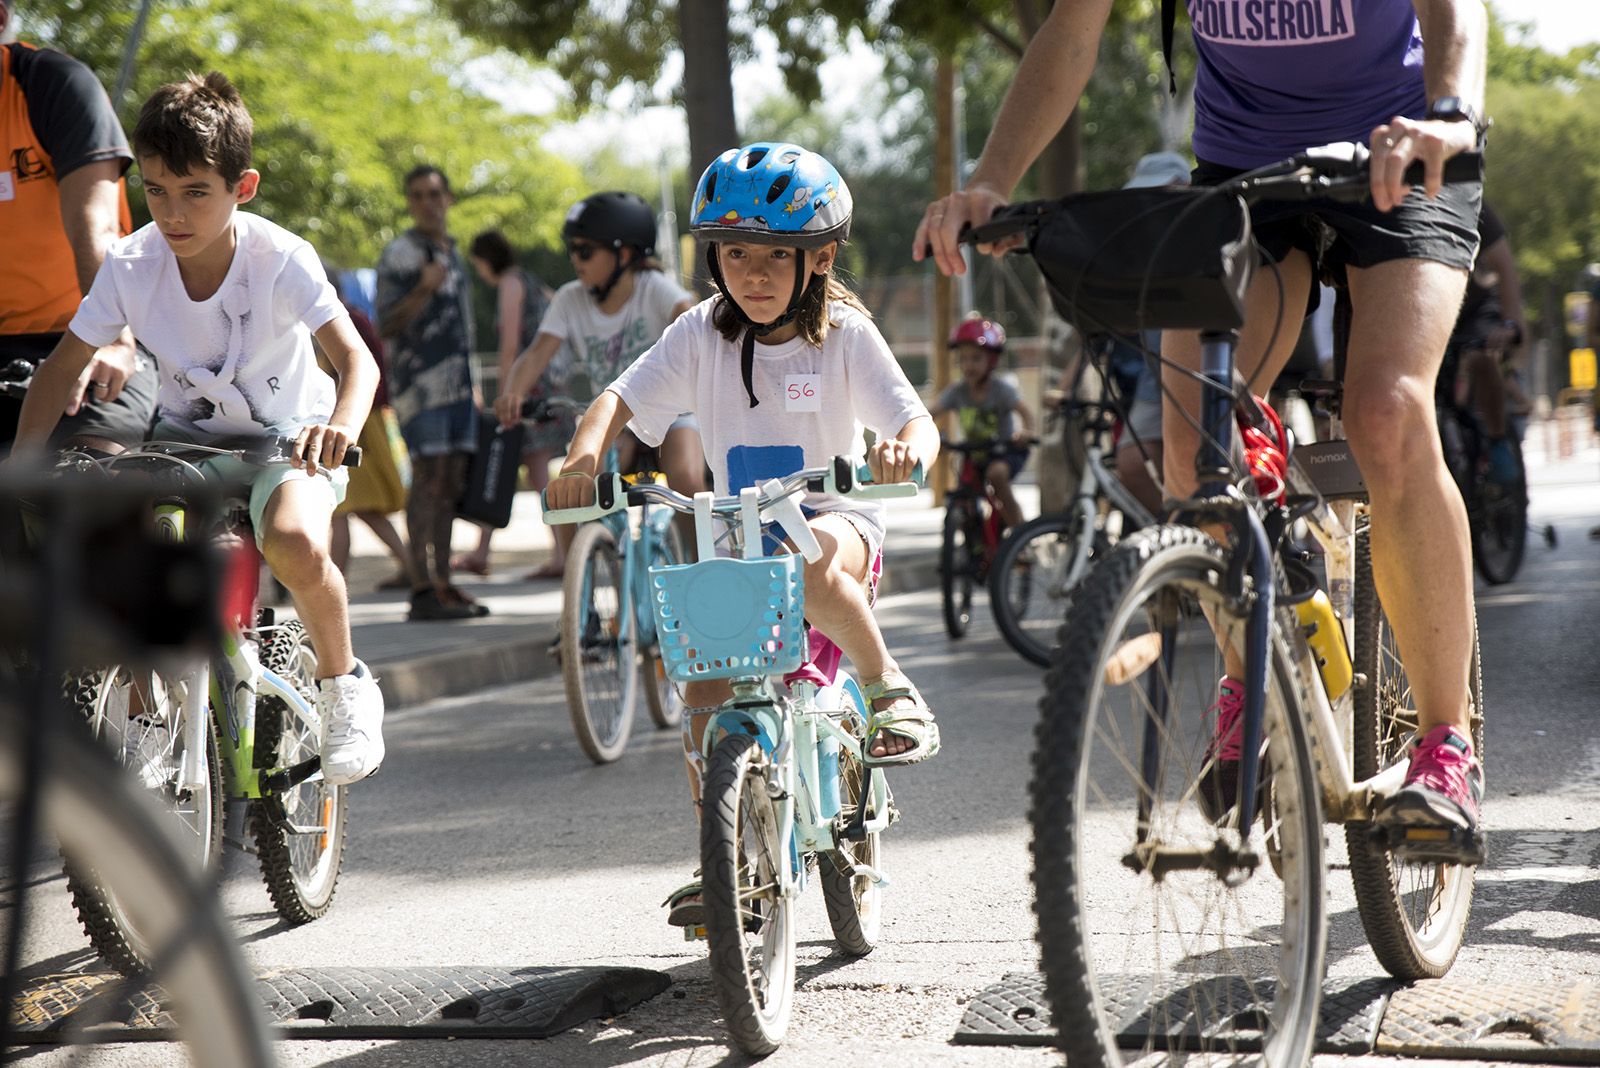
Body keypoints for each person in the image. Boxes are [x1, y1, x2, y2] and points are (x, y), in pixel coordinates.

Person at [917, 0, 1490, 863]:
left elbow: (1454, 12)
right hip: (1245, 169)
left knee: (1387, 412)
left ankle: (1446, 751)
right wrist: (992, 180)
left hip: (1403, 151)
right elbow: (1073, 34)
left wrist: (1448, 113)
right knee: (1196, 440)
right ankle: (1249, 672)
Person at [544, 143, 941, 925]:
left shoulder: (847, 338)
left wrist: (903, 455)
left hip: (837, 522)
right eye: (735, 254)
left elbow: (914, 422)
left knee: (818, 565)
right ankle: (719, 858)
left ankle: (891, 689)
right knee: (703, 695)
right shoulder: (700, 332)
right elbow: (617, 399)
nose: (752, 273)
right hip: (740, 540)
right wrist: (584, 455)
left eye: (774, 256)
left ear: (820, 257)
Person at [10, 71, 385, 785]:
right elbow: (61, 371)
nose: (172, 213)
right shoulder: (130, 263)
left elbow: (355, 362)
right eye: (154, 191)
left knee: (296, 539)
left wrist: (338, 427)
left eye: (194, 193)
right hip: (188, 442)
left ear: (242, 187)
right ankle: (151, 720)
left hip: (292, 436)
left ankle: (346, 688)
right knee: (121, 556)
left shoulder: (280, 258)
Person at [493, 191, 705, 563]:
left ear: (624, 255)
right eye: (572, 249)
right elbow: (537, 352)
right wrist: (512, 391)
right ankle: (582, 590)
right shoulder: (570, 298)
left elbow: (690, 319)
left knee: (686, 477)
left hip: (670, 413)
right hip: (612, 419)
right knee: (569, 487)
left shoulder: (653, 288)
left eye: (585, 250)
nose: (576, 259)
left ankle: (704, 567)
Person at [0, 0, 158, 453]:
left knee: (88, 476)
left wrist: (110, 338)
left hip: (83, 333)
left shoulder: (53, 85)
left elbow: (97, 225)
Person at [376, 164, 485, 621]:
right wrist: (422, 289)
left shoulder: (453, 251)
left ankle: (443, 581)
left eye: (435, 194)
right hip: (419, 388)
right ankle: (420, 586)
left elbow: (464, 327)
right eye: (417, 195)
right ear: (410, 202)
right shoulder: (401, 253)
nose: (427, 202)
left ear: (449, 198)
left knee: (451, 481)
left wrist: (474, 383)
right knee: (427, 479)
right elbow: (385, 323)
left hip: (457, 387)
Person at [453, 228, 563, 579]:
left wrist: (505, 393)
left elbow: (511, 344)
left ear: (486, 260)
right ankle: (483, 550)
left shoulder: (511, 284)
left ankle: (562, 553)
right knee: (509, 466)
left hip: (527, 388)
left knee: (530, 469)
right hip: (543, 383)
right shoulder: (531, 281)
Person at [322, 263, 414, 589]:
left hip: (352, 422)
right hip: (361, 420)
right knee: (360, 509)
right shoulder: (355, 318)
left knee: (344, 510)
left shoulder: (341, 322)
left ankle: (332, 584)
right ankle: (410, 566)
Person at [1443, 201, 1525, 483]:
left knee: (1481, 355)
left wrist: (1511, 324)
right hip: (1429, 310)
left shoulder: (1466, 195)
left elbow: (1505, 266)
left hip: (1474, 310)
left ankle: (1498, 439)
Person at [927, 315, 1033, 529]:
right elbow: (929, 414)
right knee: (963, 488)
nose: (968, 365)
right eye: (963, 359)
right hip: (974, 453)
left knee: (997, 475)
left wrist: (1027, 432)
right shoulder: (957, 391)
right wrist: (926, 436)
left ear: (992, 360)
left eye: (976, 358)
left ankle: (1020, 535)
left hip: (1005, 451)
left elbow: (1026, 413)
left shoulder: (1001, 390)